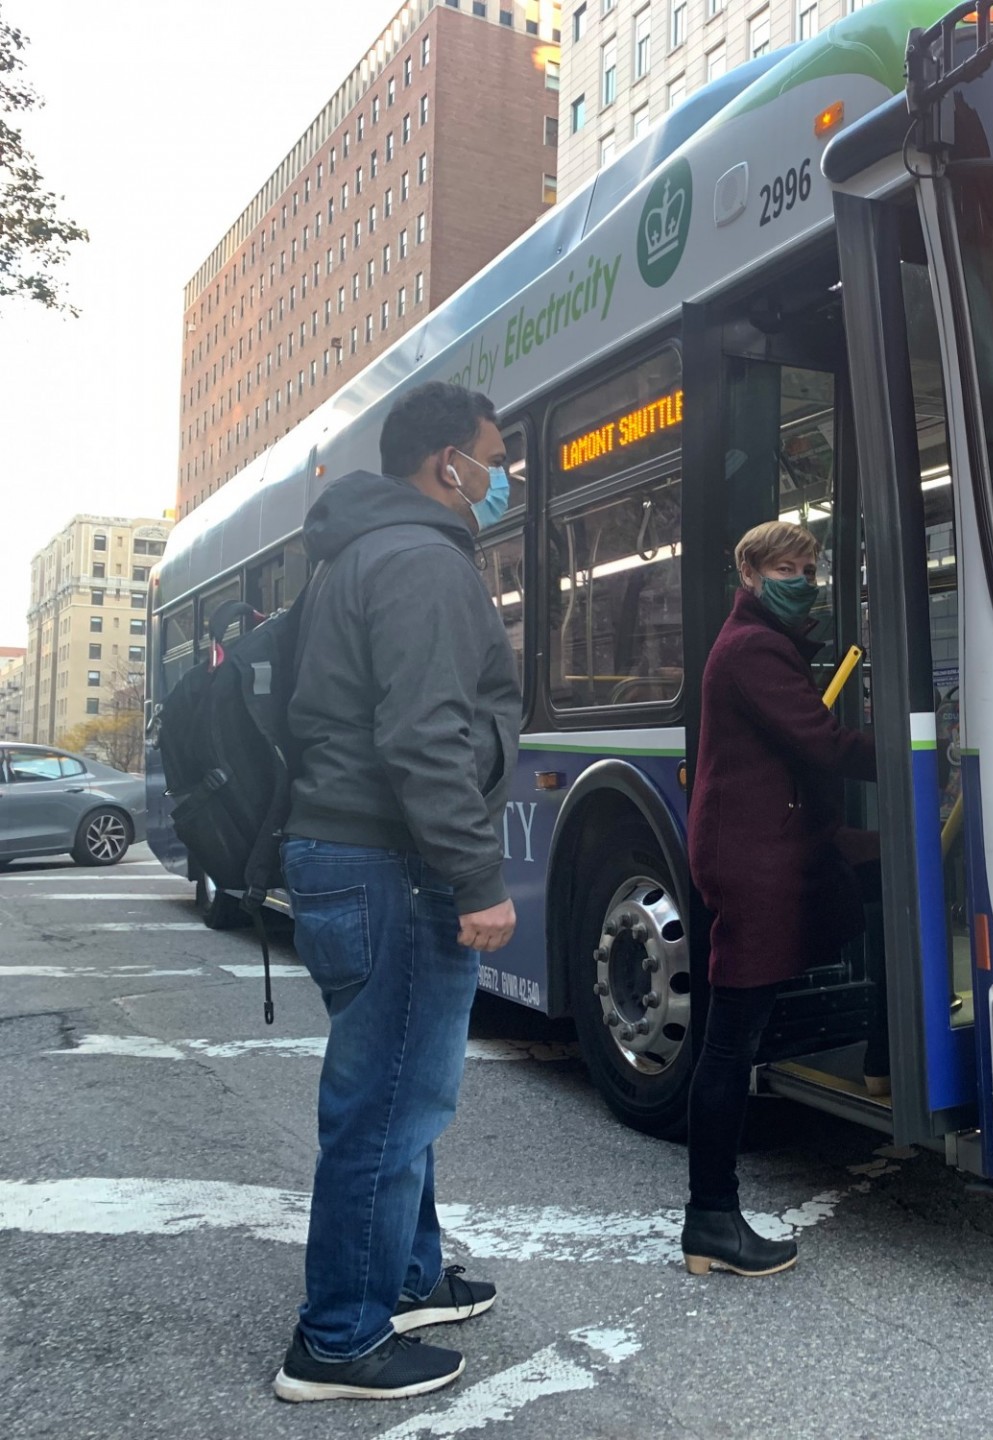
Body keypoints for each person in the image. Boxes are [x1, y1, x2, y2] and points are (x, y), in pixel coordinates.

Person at [271, 382, 523, 1403]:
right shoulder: (421, 560)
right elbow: (424, 736)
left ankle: (409, 1279)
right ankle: (336, 1340)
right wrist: (475, 876)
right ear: (445, 464)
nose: (503, 479)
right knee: (387, 1106)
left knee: (389, 1093)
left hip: (349, 857)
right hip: (393, 864)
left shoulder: (356, 553)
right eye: (493, 459)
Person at [684, 520, 877, 1277]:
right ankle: (711, 1219)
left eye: (811, 566)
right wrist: (913, 748)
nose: (807, 579)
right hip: (754, 860)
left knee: (887, 878)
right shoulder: (753, 650)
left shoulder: (758, 642)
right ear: (754, 576)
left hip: (782, 845)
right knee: (732, 1039)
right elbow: (821, 741)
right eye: (791, 568)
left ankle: (889, 1060)